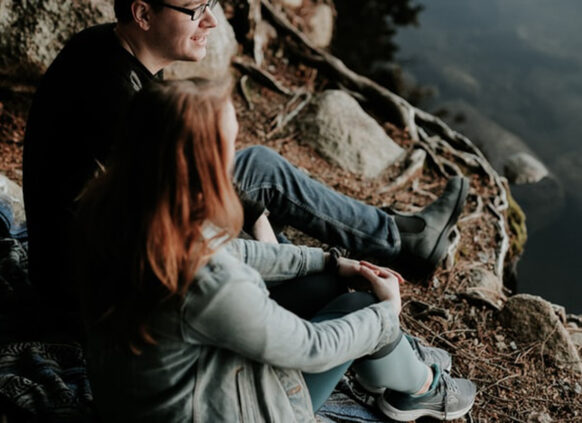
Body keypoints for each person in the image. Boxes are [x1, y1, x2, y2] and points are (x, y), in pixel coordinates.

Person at [23, 0, 468, 310]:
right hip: (89, 288)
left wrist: (256, 220)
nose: (211, 22)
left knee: (256, 169)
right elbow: (186, 203)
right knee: (261, 181)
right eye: (195, 10)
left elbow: (185, 174)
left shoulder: (108, 51)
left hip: (97, 252)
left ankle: (399, 237)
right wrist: (265, 236)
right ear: (142, 13)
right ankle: (394, 244)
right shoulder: (113, 96)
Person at [75, 78, 475, 422]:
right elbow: (310, 347)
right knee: (360, 310)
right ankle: (422, 387)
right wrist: (387, 314)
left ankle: (389, 369)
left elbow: (233, 251)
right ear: (199, 168)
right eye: (227, 151)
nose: (235, 161)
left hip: (151, 399)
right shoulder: (205, 282)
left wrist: (330, 262)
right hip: (210, 409)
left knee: (324, 283)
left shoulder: (122, 212)